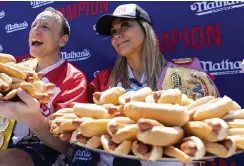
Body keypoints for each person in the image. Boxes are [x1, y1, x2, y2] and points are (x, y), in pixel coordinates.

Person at [71, 3, 219, 166]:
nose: (117, 35)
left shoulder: (186, 76)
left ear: (146, 30)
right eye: (113, 32)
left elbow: (208, 139)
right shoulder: (103, 81)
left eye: (125, 25)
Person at [0, 7, 89, 166]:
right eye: (34, 26)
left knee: (1, 161)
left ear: (63, 40)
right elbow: (3, 116)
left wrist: (31, 117)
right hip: (3, 142)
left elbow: (66, 146)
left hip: (46, 151)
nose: (36, 31)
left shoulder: (74, 78)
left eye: (45, 27)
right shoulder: (18, 69)